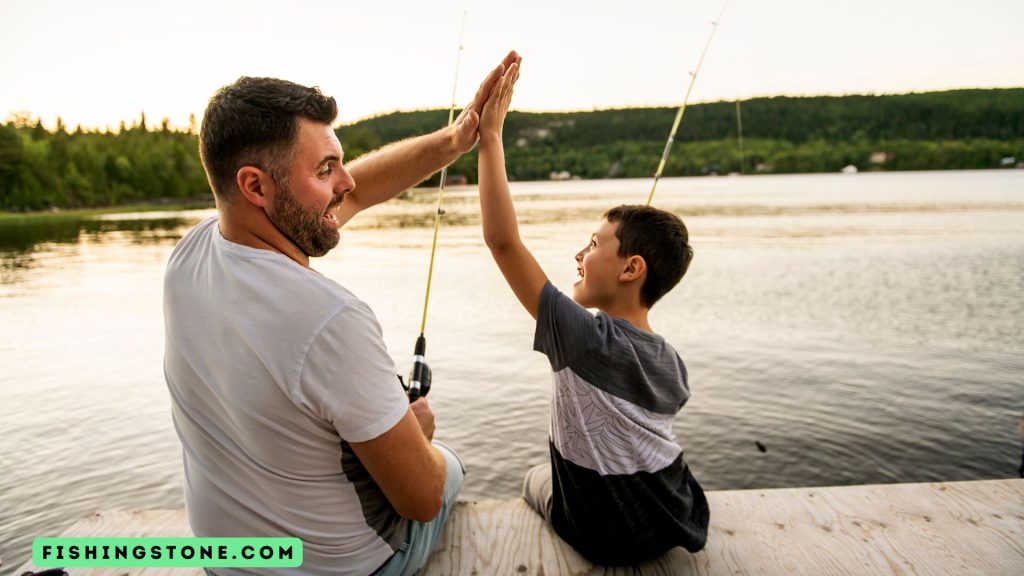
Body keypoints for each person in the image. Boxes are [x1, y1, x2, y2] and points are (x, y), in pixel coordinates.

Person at [163, 51, 518, 576]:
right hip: (341, 569)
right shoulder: (330, 319)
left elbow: (357, 191)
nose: (347, 182)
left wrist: (454, 140)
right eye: (326, 169)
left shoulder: (188, 257)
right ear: (256, 186)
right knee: (446, 464)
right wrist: (415, 434)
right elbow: (420, 500)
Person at [476, 57, 710, 565]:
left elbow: (502, 242)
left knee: (533, 479)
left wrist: (491, 137)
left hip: (605, 535)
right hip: (677, 516)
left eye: (593, 244)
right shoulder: (672, 361)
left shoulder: (583, 337)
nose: (579, 256)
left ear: (631, 270)